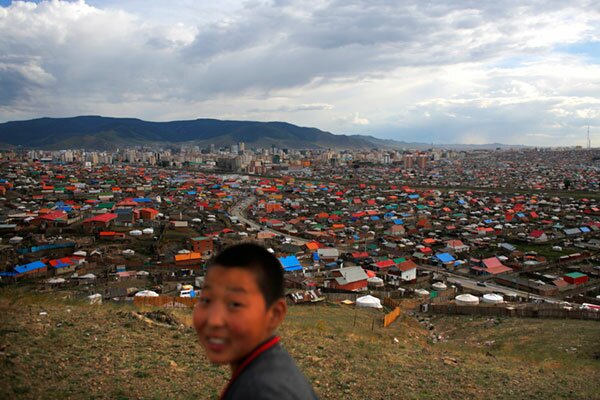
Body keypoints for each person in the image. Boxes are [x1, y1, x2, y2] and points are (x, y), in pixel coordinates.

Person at [193, 242, 318, 400]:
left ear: (274, 314)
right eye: (206, 300)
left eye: (235, 304)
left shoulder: (265, 392)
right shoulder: (266, 372)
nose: (214, 320)